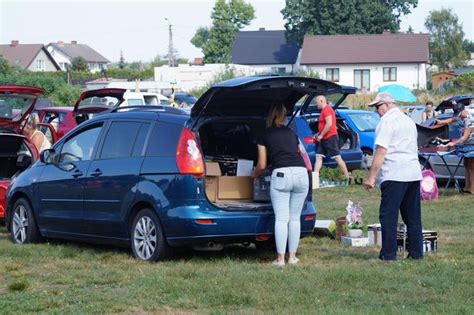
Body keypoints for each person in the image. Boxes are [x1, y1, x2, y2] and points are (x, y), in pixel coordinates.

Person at [363, 92, 423, 261]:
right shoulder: (408, 120)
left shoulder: (386, 122)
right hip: (412, 172)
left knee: (388, 216)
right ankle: (416, 253)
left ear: (388, 104)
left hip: (394, 173)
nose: (376, 111)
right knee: (413, 217)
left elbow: (381, 151)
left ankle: (388, 254)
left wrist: (371, 177)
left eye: (377, 106)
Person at [252, 103, 309, 266]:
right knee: (295, 218)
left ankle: (280, 259)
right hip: (301, 173)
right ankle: (292, 257)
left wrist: (254, 175)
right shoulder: (292, 133)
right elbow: (298, 153)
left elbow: (262, 164)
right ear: (283, 116)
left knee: (282, 219)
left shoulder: (264, 135)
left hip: (282, 175)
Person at [435, 101, 474, 194]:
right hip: (465, 144)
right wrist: (441, 122)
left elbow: (464, 137)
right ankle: (466, 187)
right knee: (466, 164)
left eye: (460, 114)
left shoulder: (470, 120)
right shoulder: (460, 115)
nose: (459, 116)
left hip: (472, 144)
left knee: (472, 166)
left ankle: (472, 189)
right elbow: (452, 120)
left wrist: (453, 143)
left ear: (464, 110)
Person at [313, 95, 350, 179]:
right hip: (324, 138)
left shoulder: (327, 109)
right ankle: (315, 176)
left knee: (337, 157)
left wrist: (321, 135)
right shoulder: (324, 110)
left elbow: (329, 124)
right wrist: (318, 134)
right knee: (319, 156)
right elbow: (325, 124)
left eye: (316, 102)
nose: (316, 104)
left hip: (330, 137)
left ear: (322, 101)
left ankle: (347, 176)